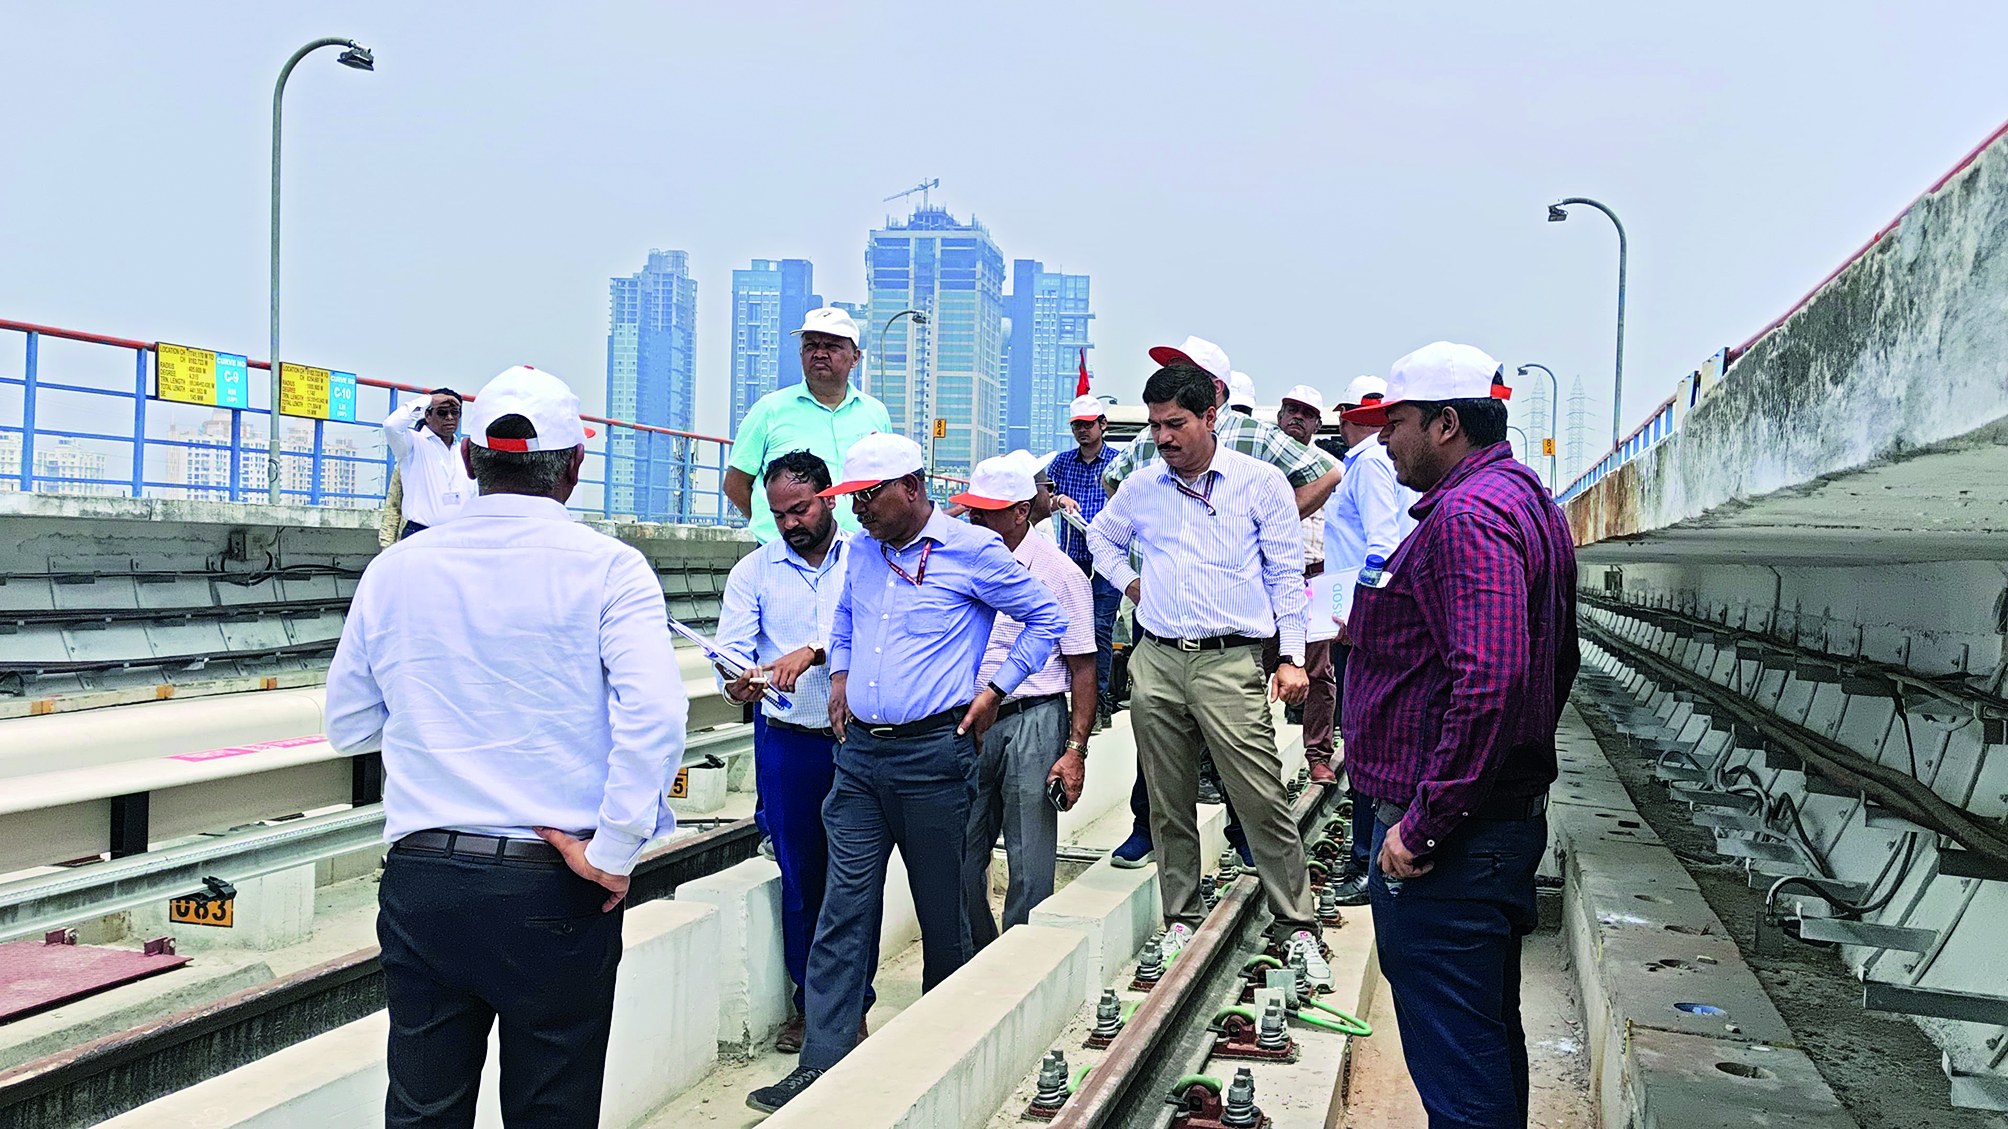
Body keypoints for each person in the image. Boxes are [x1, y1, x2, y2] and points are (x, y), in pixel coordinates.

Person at [327, 366, 685, 1129]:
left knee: (423, 1109)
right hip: (553, 880)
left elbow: (348, 725)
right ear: (575, 466)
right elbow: (654, 714)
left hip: (425, 878)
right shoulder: (611, 569)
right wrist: (615, 849)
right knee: (551, 1107)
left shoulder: (395, 570)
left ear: (467, 462)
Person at [748, 433, 1066, 1114]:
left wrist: (997, 688)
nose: (858, 510)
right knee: (842, 907)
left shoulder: (973, 550)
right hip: (861, 756)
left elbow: (1047, 617)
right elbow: (846, 618)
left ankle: (938, 1050)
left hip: (934, 755)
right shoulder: (861, 551)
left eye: (868, 497)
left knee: (942, 909)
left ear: (912, 487)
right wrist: (838, 677)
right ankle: (823, 1060)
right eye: (852, 499)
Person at [1340, 342, 1578, 1129]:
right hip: (1490, 827)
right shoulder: (1526, 501)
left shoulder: (1469, 517)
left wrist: (1425, 820)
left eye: (1396, 423)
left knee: (1459, 1068)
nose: (1383, 441)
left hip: (1451, 844)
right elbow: (1554, 662)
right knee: (1482, 1043)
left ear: (1446, 424)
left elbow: (1492, 679)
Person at [1086, 364, 1327, 976]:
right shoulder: (1142, 487)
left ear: (1210, 417)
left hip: (1230, 662)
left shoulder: (1259, 483)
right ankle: (1180, 921)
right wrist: (1135, 585)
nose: (1164, 437)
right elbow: (1100, 540)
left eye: (1176, 424)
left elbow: (1283, 573)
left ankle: (1297, 926)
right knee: (1168, 803)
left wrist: (1294, 658)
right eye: (1156, 426)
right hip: (1159, 660)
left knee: (1260, 795)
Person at [713, 450, 867, 1055]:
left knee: (853, 878)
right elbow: (730, 647)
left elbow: (874, 625)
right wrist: (737, 680)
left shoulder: (865, 556)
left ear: (829, 499)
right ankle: (813, 1004)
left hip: (854, 740)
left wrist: (811, 651)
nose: (789, 524)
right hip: (786, 742)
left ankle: (853, 1001)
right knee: (800, 874)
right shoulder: (754, 571)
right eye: (778, 515)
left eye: (799, 509)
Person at [952, 455, 1097, 949]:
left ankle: (1019, 959)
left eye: (986, 512)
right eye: (971, 511)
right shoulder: (958, 564)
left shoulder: (1059, 573)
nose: (975, 520)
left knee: (1029, 855)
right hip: (969, 720)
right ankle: (976, 950)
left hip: (1033, 718)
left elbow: (1082, 666)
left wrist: (1075, 749)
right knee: (960, 852)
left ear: (1019, 512)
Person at [1321, 375, 1419, 906]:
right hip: (1354, 618)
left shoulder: (1373, 467)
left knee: (1366, 741)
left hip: (1361, 621)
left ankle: (1365, 860)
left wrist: (1360, 610)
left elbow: (1383, 544)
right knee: (1361, 738)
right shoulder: (1365, 464)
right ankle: (1364, 853)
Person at [725, 307, 893, 545]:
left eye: (832, 346)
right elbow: (735, 483)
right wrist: (775, 529)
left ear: (855, 357)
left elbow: (886, 481)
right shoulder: (770, 410)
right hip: (785, 552)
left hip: (861, 550)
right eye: (811, 346)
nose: (820, 354)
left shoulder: (875, 413)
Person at [1047, 395, 1121, 728]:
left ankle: (1100, 702)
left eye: (1088, 425)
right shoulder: (1062, 464)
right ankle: (1077, 701)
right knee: (1072, 630)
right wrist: (1057, 498)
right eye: (1077, 425)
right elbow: (1041, 499)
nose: (1082, 431)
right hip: (1073, 557)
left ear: (1102, 425)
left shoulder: (1118, 463)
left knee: (1100, 627)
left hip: (1107, 558)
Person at [1274, 384, 1334, 777]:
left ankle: (1318, 756)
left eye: (1307, 413)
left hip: (1315, 575)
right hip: (1264, 579)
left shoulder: (1329, 469)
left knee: (1318, 671)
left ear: (1317, 423)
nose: (1297, 417)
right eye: (1291, 409)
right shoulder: (1261, 463)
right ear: (1279, 415)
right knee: (1253, 667)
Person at [380, 386, 476, 539]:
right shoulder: (412, 443)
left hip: (458, 535)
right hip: (421, 534)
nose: (450, 417)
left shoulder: (462, 450)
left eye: (455, 412)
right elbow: (391, 425)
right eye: (442, 412)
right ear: (428, 415)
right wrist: (428, 400)